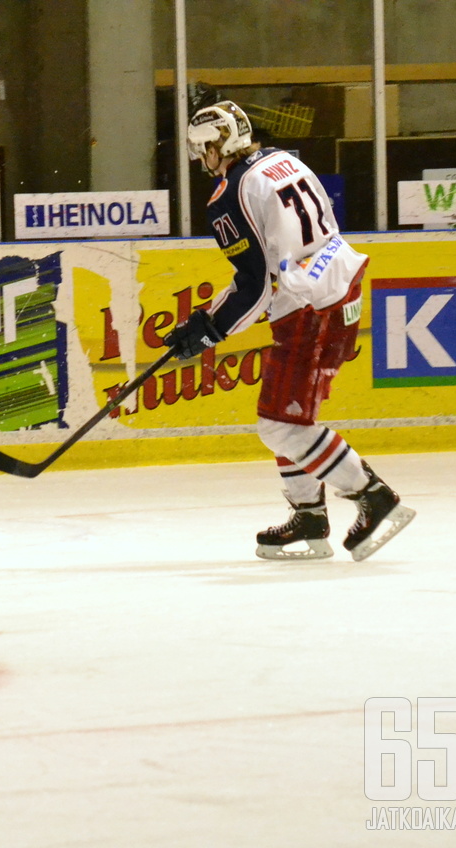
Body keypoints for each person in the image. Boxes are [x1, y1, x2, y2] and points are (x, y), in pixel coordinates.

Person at [165, 101, 415, 562]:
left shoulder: (229, 195)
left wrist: (208, 329)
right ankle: (309, 516)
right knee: (287, 416)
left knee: (280, 426)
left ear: (219, 145)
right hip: (339, 287)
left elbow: (255, 285)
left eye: (205, 150)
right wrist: (208, 320)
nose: (204, 160)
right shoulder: (285, 160)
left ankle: (373, 495)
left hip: (309, 309)